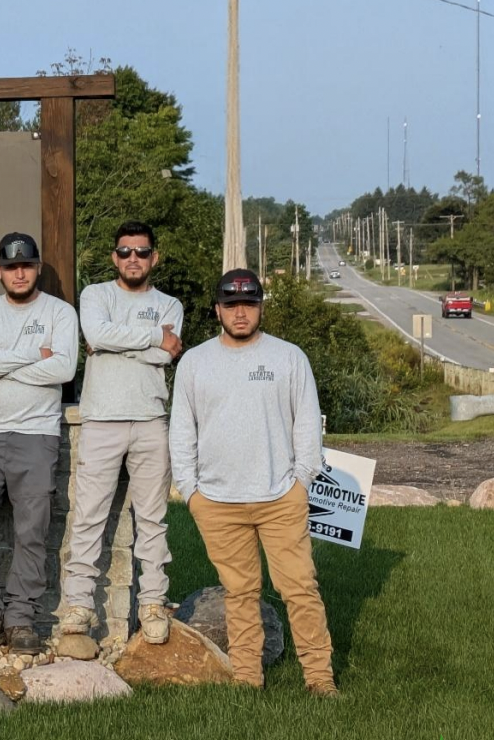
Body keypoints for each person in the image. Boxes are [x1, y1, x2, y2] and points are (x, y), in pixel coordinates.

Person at [170, 269, 337, 697]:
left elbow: (307, 427)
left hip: (281, 496)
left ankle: (320, 678)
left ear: (261, 306)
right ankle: (247, 679)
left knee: (300, 588)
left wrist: (302, 480)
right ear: (217, 310)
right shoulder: (195, 362)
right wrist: (191, 491)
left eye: (248, 304)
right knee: (240, 592)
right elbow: (181, 430)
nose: (240, 313)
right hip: (218, 502)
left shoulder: (288, 358)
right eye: (231, 304)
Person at [0, 233, 78, 654]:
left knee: (32, 530)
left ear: (37, 267)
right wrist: (33, 355)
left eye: (25, 265)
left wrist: (7, 363)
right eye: (10, 266)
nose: (18, 272)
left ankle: (21, 617)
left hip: (38, 435)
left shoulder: (60, 312)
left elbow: (63, 368)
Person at [60, 222, 183, 644]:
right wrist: (150, 339)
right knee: (89, 516)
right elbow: (96, 334)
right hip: (101, 419)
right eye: (126, 252)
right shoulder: (96, 295)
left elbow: (165, 359)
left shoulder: (170, 303)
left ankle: (153, 600)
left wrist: (115, 343)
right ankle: (78, 604)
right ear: (115, 257)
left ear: (155, 258)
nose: (134, 259)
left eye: (142, 252)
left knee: (153, 519)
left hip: (150, 420)